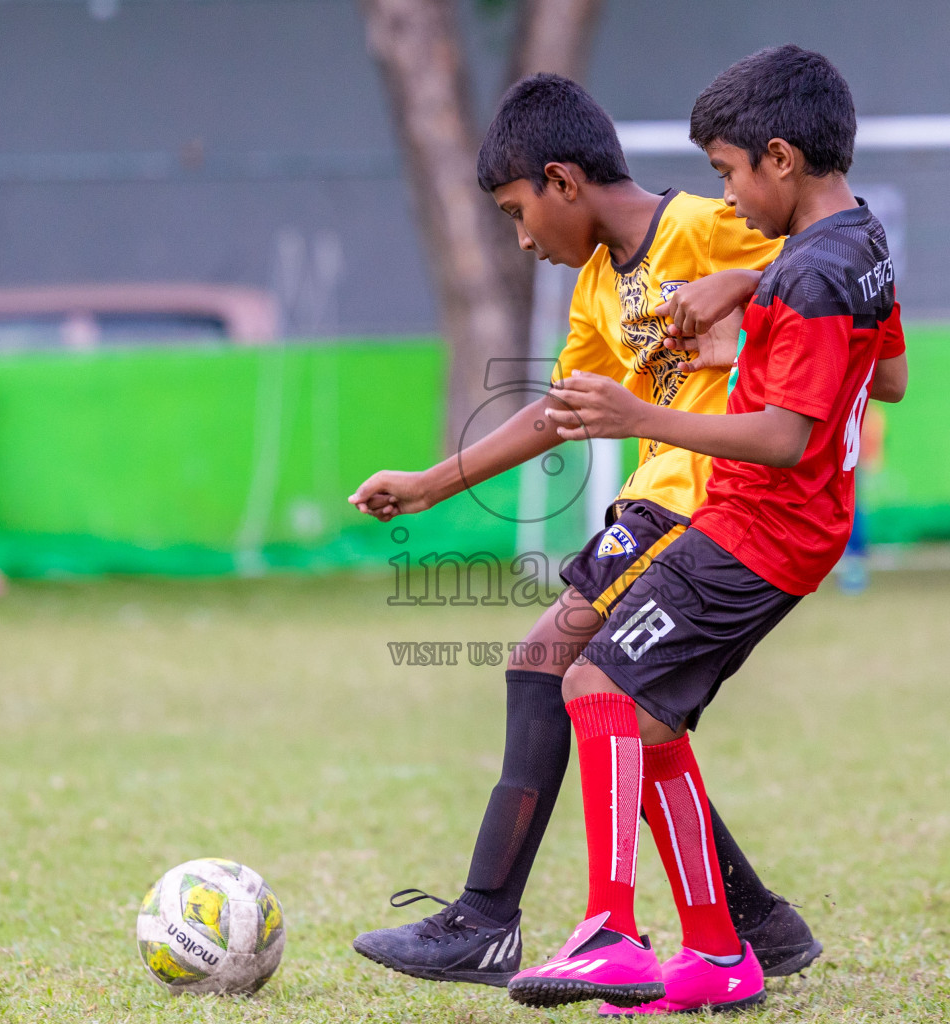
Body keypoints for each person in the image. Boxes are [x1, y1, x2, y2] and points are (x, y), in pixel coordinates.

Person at [347, 72, 821, 992]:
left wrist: (743, 280)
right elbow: (558, 412)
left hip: (709, 502)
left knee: (558, 671)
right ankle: (755, 922)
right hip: (654, 502)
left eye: (519, 214)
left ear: (563, 181)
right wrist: (431, 485)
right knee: (628, 713)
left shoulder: (704, 225)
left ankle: (489, 920)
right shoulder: (599, 283)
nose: (523, 240)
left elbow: (831, 261)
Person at [504, 45, 907, 1012]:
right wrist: (746, 302)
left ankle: (610, 928)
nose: (726, 200)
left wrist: (638, 415)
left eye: (728, 174)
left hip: (756, 527)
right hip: (785, 529)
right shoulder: (860, 245)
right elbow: (886, 378)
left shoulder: (810, 274)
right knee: (644, 720)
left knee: (590, 680)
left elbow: (778, 434)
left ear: (778, 158)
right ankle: (722, 954)